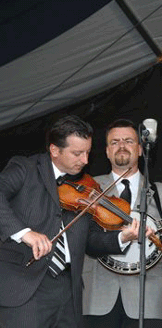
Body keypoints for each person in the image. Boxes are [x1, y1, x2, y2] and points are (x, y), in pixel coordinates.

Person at [0, 115, 144, 328]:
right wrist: (24, 233)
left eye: (87, 152)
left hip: (68, 292)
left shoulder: (86, 187)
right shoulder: (25, 168)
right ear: (55, 150)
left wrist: (122, 237)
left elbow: (91, 241)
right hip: (25, 286)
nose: (85, 161)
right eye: (77, 153)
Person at [82, 119, 162, 328]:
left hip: (149, 301)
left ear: (141, 149)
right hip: (97, 298)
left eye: (128, 141)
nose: (121, 146)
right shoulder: (89, 189)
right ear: (106, 151)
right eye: (114, 142)